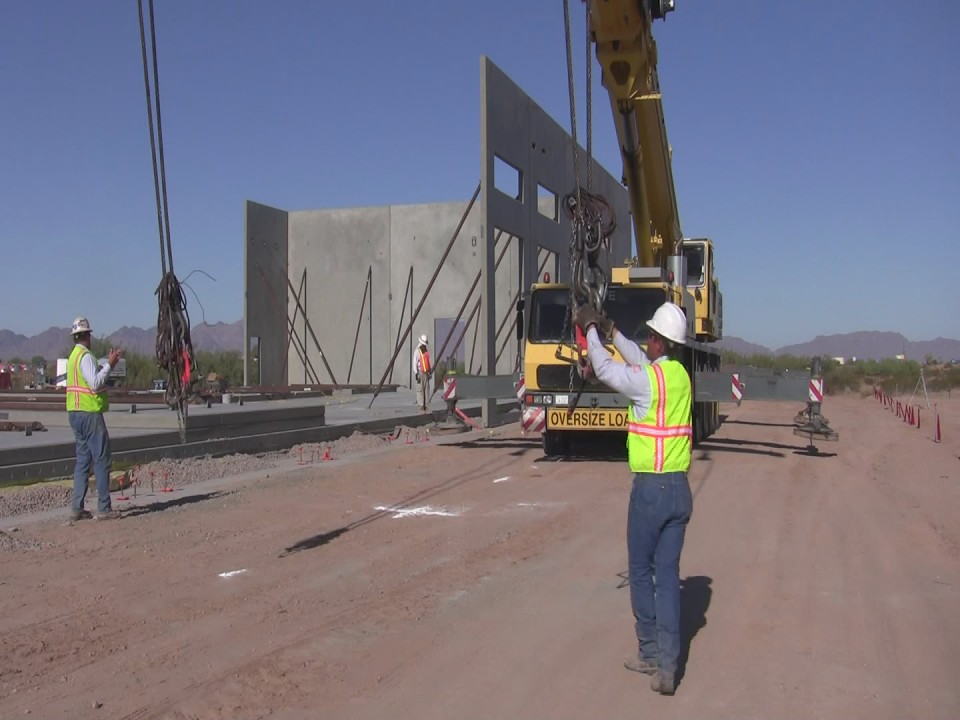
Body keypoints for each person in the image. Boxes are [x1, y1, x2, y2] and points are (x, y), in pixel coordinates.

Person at [575, 301, 693, 696]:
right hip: (679, 490)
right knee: (669, 577)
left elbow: (607, 370)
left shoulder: (647, 382)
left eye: (651, 335)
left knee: (641, 571)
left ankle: (648, 652)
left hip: (650, 491)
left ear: (661, 341)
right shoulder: (678, 378)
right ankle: (669, 667)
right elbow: (640, 361)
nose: (648, 340)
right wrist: (613, 332)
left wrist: (590, 329)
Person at [65, 316, 124, 522]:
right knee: (101, 458)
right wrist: (110, 365)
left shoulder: (73, 357)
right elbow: (95, 383)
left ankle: (77, 508)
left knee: (82, 460)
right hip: (89, 414)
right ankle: (104, 508)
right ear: (87, 336)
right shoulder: (86, 357)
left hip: (74, 412)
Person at [412, 334, 432, 412]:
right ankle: (421, 407)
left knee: (426, 390)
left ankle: (426, 407)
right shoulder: (417, 350)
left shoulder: (425, 350)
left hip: (426, 373)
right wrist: (416, 373)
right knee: (420, 391)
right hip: (420, 372)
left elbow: (427, 362)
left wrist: (429, 371)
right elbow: (414, 363)